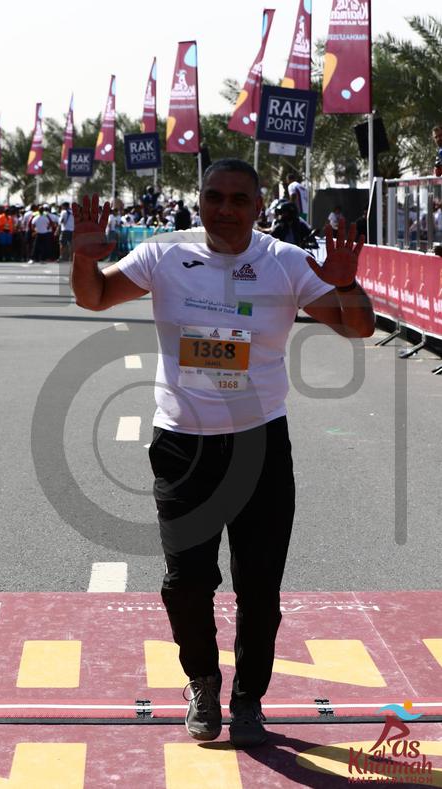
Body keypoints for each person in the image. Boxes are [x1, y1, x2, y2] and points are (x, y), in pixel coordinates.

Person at [71, 159, 374, 749]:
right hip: (183, 446)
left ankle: (249, 697)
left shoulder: (286, 261)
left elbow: (357, 327)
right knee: (186, 581)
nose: (225, 209)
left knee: (259, 586)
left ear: (259, 206)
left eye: (239, 199)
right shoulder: (164, 255)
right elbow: (96, 296)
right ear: (200, 200)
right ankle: (203, 683)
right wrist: (84, 258)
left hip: (259, 444)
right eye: (214, 197)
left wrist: (343, 284)